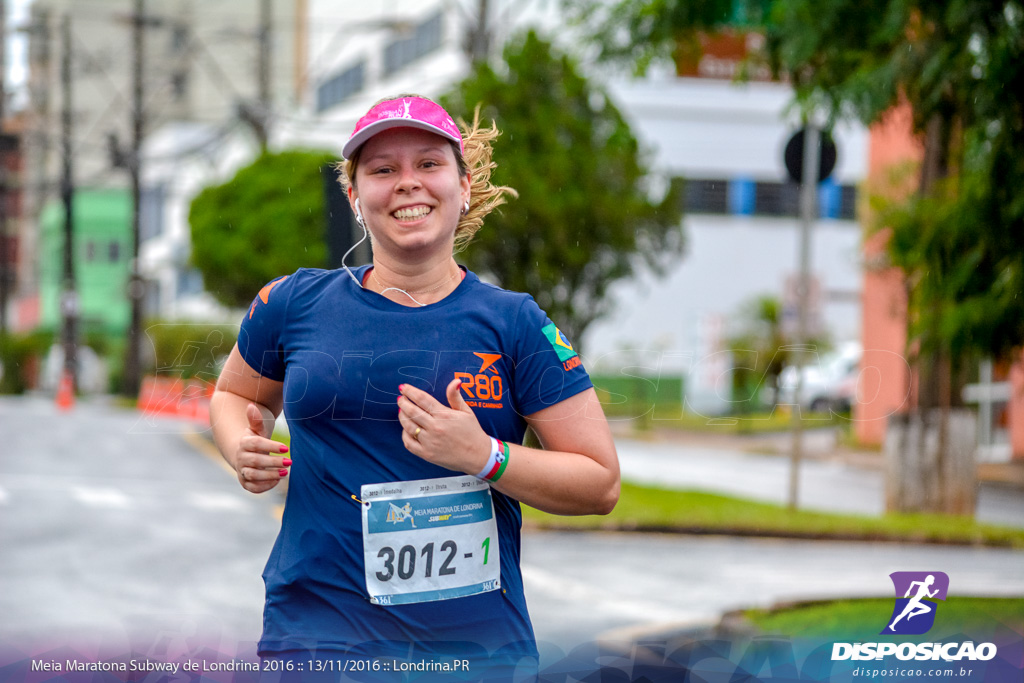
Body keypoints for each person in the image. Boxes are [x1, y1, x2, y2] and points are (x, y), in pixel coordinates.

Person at [210, 94, 620, 680]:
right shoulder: (292, 303)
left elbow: (599, 481)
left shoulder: (516, 323)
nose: (408, 183)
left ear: (465, 184)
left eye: (429, 164)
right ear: (354, 198)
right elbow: (234, 398)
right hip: (318, 640)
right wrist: (236, 444)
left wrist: (485, 456)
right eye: (383, 170)